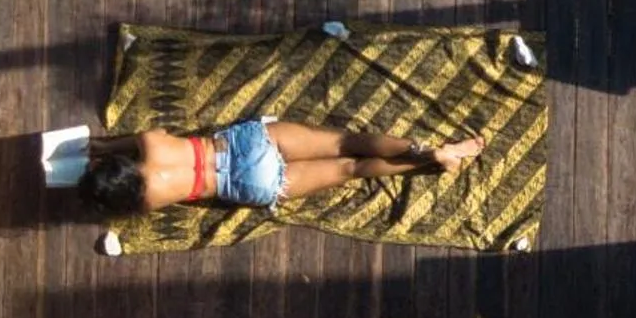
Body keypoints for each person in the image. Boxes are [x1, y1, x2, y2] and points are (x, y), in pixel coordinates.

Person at [76, 119, 484, 215]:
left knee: (349, 169)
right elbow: (156, 133)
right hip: (243, 146)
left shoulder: (146, 200)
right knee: (346, 141)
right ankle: (429, 149)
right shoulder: (149, 142)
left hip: (245, 182)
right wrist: (103, 145)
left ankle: (424, 166)